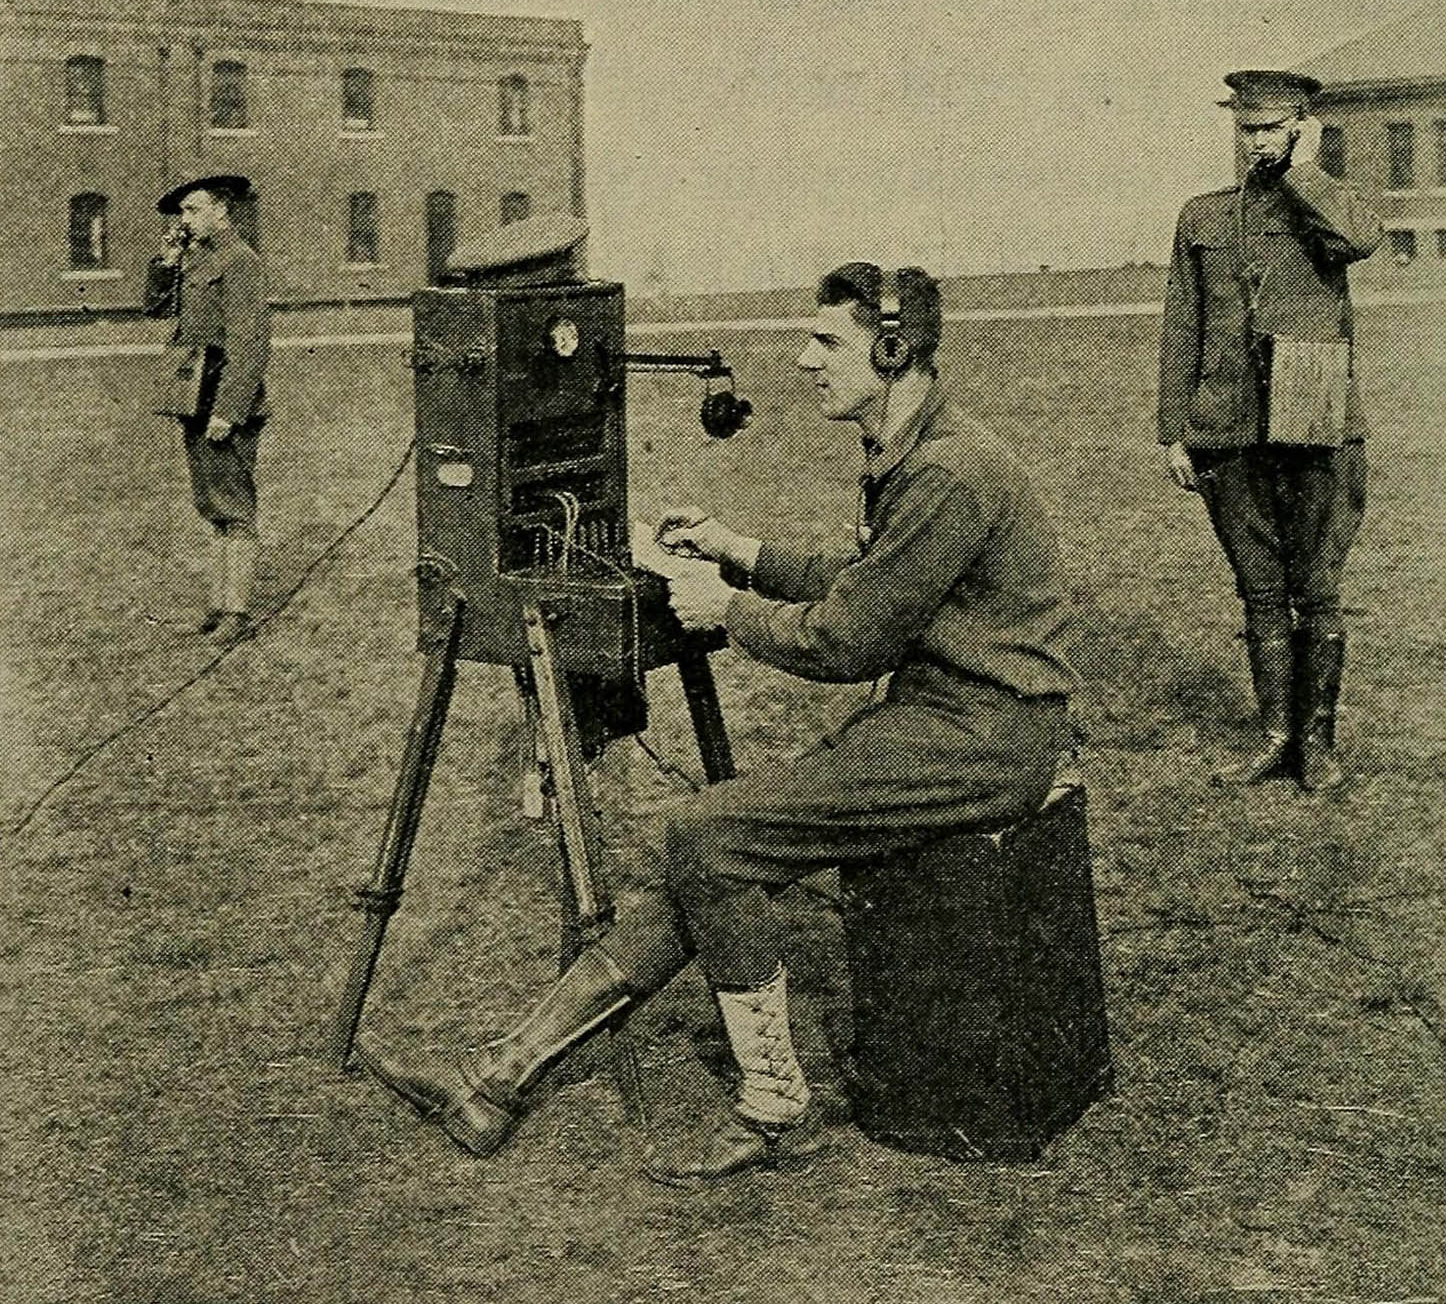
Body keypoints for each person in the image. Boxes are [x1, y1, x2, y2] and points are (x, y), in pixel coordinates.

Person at [357, 261, 1078, 1185]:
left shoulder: (947, 472)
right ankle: (494, 1079)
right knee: (709, 852)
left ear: (893, 351)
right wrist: (737, 551)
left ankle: (779, 1110)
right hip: (944, 721)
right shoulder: (918, 451)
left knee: (709, 833)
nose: (803, 359)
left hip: (985, 740)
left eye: (827, 342)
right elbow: (869, 586)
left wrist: (723, 609)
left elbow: (850, 638)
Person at [1158, 70, 1381, 791]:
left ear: (1298, 128)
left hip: (1314, 420)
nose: (1255, 140)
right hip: (1229, 428)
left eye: (1270, 128)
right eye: (1246, 128)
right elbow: (1182, 326)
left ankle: (1317, 744)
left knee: (1316, 587)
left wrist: (1305, 171)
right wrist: (1174, 431)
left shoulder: (1325, 204)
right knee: (1257, 588)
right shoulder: (1203, 216)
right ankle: (1274, 735)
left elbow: (1359, 238)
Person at [143, 175, 270, 645]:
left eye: (193, 210)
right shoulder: (192, 259)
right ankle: (219, 607)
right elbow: (155, 310)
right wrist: (166, 262)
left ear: (222, 211)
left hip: (223, 399)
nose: (184, 220)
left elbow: (251, 342)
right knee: (212, 506)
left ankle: (236, 614)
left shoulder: (241, 262)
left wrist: (229, 410)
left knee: (234, 509)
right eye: (183, 212)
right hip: (192, 396)